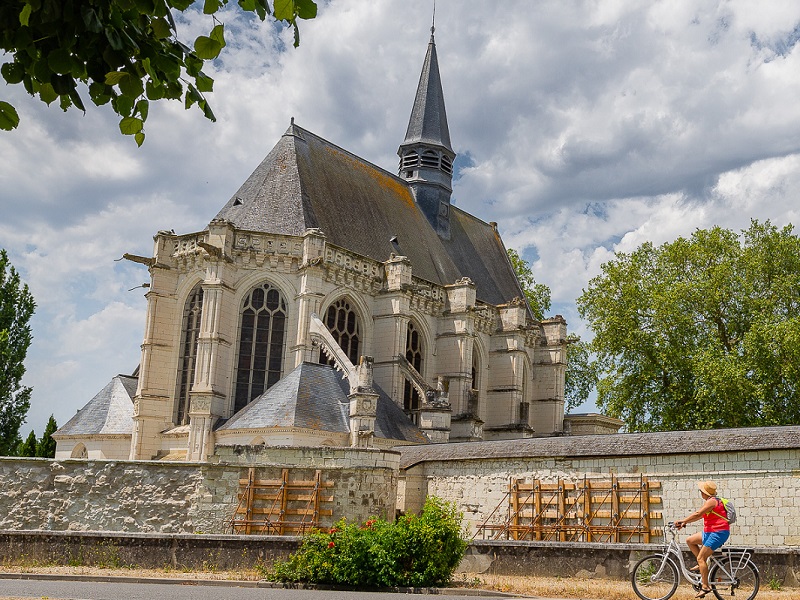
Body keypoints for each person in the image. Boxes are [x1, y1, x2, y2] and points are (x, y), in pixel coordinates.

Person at [675, 480, 731, 598]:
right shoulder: (711, 501)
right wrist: (686, 522)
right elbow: (699, 515)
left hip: (718, 533)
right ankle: (703, 564)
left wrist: (683, 521)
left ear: (705, 492)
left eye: (701, 491)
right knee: (690, 540)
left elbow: (697, 513)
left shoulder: (712, 502)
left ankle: (705, 586)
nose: (700, 493)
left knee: (701, 557)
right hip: (710, 532)